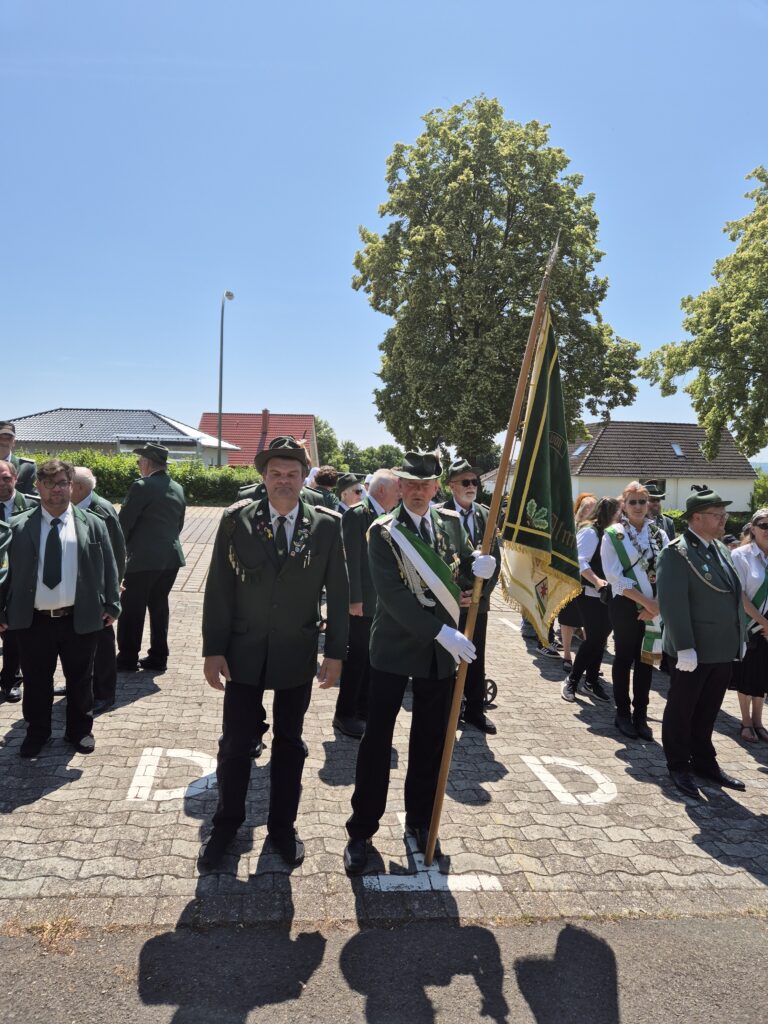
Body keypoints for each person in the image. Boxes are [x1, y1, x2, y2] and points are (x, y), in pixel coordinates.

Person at [343, 450, 497, 875]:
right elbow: (391, 597)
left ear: (435, 487)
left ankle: (421, 821)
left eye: (425, 485)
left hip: (437, 656)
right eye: (410, 484)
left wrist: (484, 572)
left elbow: (464, 578)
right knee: (377, 743)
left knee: (431, 742)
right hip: (395, 648)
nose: (417, 491)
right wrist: (441, 631)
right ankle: (361, 830)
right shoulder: (383, 533)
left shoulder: (451, 524)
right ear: (399, 487)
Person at [200, 436, 349, 868]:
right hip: (243, 651)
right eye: (276, 474)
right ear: (263, 478)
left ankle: (282, 827)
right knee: (235, 744)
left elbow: (339, 593)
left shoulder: (326, 525)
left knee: (290, 743)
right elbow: (219, 588)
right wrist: (213, 648)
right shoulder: (236, 520)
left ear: (304, 479)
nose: (284, 481)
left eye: (292, 474)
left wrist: (335, 653)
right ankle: (226, 825)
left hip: (296, 650)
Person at [0, 459, 120, 757]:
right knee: (36, 680)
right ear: (38, 486)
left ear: (71, 486)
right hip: (33, 620)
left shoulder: (93, 523)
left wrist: (112, 604)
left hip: (79, 617)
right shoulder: (19, 525)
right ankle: (37, 732)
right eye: (50, 483)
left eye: (63, 483)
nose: (57, 489)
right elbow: (6, 573)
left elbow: (109, 565)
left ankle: (80, 731)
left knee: (81, 679)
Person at [657, 486, 745, 799]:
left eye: (724, 514)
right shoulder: (676, 552)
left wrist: (739, 638)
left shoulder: (719, 548)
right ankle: (678, 764)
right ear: (696, 518)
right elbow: (672, 603)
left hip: (721, 648)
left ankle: (704, 761)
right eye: (717, 514)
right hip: (693, 650)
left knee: (708, 710)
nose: (724, 519)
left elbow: (733, 596)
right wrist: (684, 646)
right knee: (682, 710)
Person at [335, 468, 401, 738]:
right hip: (362, 602)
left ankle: (363, 710)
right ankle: (345, 714)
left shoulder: (386, 514)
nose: (401, 494)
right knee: (357, 659)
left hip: (379, 601)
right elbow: (350, 560)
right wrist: (354, 599)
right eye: (397, 489)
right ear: (382, 490)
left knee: (371, 659)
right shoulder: (357, 514)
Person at [602, 481, 668, 740]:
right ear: (624, 505)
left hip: (654, 606)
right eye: (633, 502)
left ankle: (641, 715)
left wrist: (656, 604)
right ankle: (622, 714)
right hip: (625, 604)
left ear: (648, 504)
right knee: (624, 657)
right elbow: (613, 577)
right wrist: (646, 602)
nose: (638, 506)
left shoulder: (659, 534)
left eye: (642, 501)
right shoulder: (613, 534)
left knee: (646, 661)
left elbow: (667, 571)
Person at [440, 458, 501, 734]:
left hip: (477, 602)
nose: (471, 486)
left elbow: (495, 560)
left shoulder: (486, 515)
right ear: (451, 485)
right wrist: (455, 594)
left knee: (475, 656)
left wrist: (479, 594)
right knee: (446, 656)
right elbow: (437, 561)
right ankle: (448, 709)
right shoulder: (438, 515)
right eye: (465, 482)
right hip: (448, 601)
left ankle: (475, 709)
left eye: (474, 482)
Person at [116, 443, 186, 672]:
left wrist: (118, 551)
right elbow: (179, 524)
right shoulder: (177, 487)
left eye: (140, 461)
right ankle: (158, 656)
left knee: (132, 608)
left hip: (143, 559)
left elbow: (124, 523)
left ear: (147, 463)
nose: (139, 465)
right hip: (171, 557)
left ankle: (127, 658)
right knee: (159, 605)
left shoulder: (142, 486)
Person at [71, 467, 126, 713]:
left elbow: (117, 553)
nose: (62, 488)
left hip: (99, 592)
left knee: (103, 644)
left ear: (79, 488)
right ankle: (82, 685)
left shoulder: (101, 510)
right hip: (78, 587)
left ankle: (104, 693)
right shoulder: (73, 506)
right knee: (80, 643)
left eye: (67, 483)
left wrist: (114, 589)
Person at [561, 497, 620, 705]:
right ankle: (573, 679)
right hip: (589, 593)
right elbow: (580, 561)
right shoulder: (590, 532)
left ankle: (592, 680)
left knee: (600, 639)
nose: (621, 517)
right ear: (610, 513)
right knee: (594, 638)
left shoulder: (614, 533)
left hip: (610, 594)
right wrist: (597, 581)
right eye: (619, 513)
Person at [728, 509, 768, 744]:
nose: (767, 530)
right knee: (747, 673)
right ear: (752, 528)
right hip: (749, 622)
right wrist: (763, 622)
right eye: (764, 525)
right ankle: (745, 722)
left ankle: (758, 721)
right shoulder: (740, 555)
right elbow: (739, 594)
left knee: (763, 673)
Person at [0, 459, 39, 702]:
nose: (2, 484)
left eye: (6, 478)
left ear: (15, 479)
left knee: (14, 633)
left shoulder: (34, 506)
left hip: (19, 579)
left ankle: (11, 679)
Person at [558, 493, 597, 672]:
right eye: (585, 507)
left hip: (589, 582)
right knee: (568, 619)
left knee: (590, 622)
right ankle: (567, 655)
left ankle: (587, 660)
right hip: (570, 579)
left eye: (592, 508)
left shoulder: (598, 530)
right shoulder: (570, 527)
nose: (588, 511)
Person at [0, 421, 36, 495]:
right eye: (0, 437)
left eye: (8, 438)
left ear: (14, 442)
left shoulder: (27, 467)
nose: (3, 441)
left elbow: (31, 498)